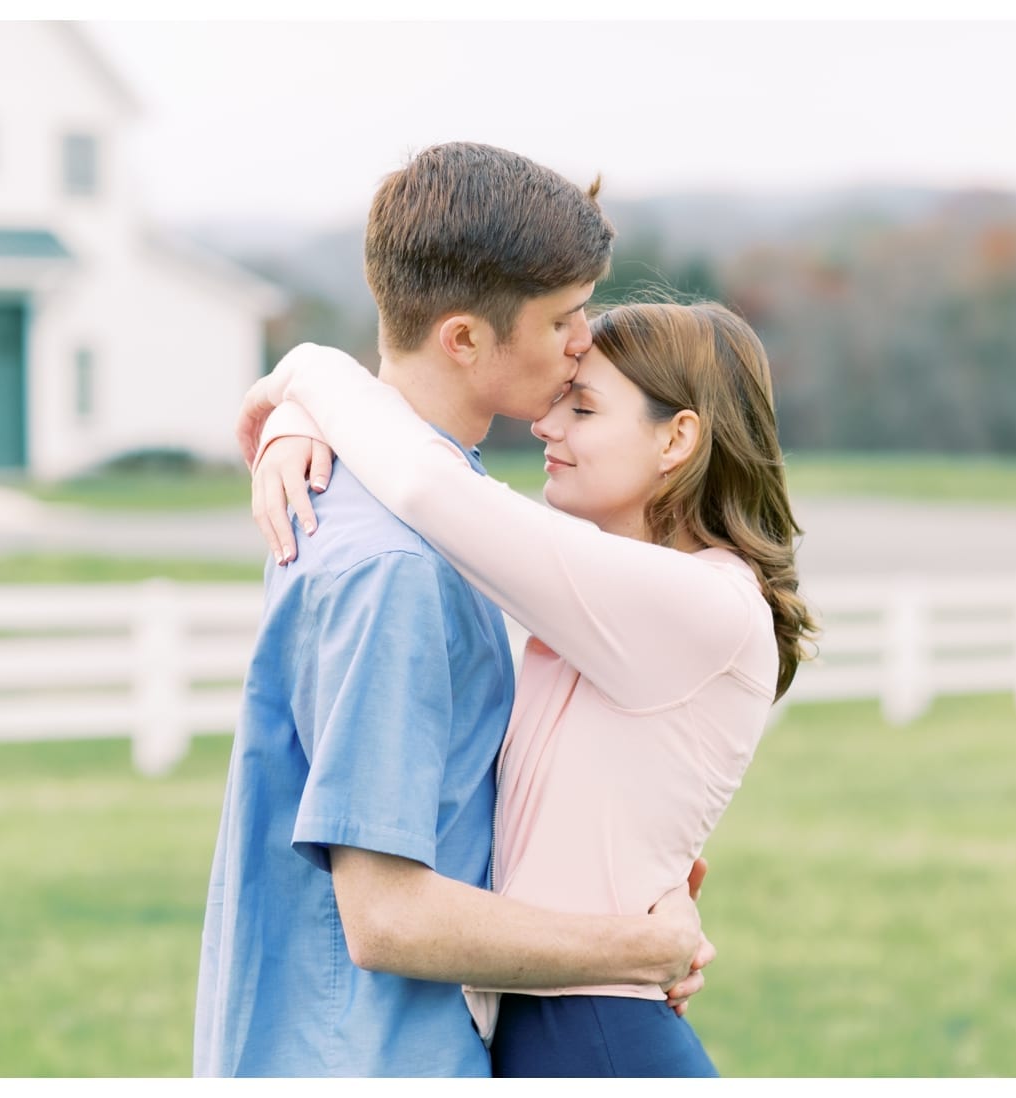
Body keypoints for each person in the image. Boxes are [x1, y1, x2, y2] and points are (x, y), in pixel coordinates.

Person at [193, 142, 712, 1079]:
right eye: (563, 319)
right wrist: (637, 951)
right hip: (368, 1058)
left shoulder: (382, 491)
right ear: (465, 339)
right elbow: (386, 916)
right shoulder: (392, 563)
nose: (582, 341)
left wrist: (309, 385)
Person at [239, 298, 817, 1076]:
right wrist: (300, 420)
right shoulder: (626, 604)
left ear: (678, 437)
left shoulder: (702, 606)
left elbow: (428, 489)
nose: (548, 427)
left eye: (582, 408)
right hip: (562, 1023)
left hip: (594, 1036)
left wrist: (310, 370)